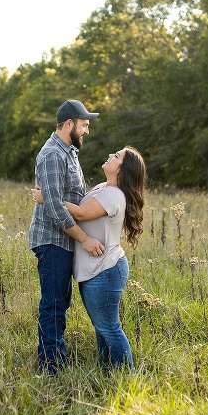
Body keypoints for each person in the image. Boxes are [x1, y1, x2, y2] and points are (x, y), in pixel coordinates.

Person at [33, 146, 147, 369]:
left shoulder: (114, 195)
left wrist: (48, 197)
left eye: (116, 156)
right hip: (96, 270)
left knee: (109, 327)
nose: (110, 155)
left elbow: (82, 213)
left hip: (106, 270)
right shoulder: (103, 188)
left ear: (122, 171)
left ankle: (127, 375)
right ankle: (109, 372)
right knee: (101, 325)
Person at [28, 99, 105, 375]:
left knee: (60, 302)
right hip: (52, 240)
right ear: (69, 124)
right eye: (84, 125)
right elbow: (55, 208)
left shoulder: (69, 151)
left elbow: (69, 195)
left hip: (63, 240)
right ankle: (51, 367)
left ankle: (56, 359)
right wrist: (84, 238)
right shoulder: (52, 154)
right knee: (53, 304)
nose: (86, 131)